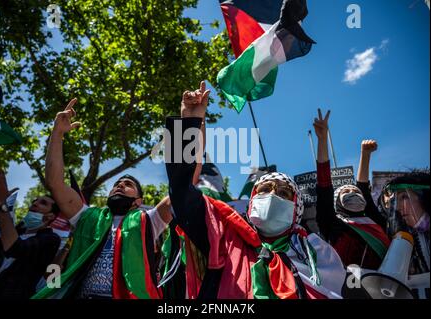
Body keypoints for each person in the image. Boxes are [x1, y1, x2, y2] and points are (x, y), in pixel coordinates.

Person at [164, 82, 346, 299]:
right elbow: (181, 190)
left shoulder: (319, 254)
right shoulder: (224, 235)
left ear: (296, 207)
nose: (271, 196)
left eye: (283, 193)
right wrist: (189, 124)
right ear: (251, 201)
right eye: (265, 189)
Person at [33, 98, 172, 299]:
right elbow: (54, 183)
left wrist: (192, 121)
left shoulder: (149, 221)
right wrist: (57, 133)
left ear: (138, 201)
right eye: (117, 184)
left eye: (128, 185)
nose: (120, 185)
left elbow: (181, 189)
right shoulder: (87, 217)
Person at [314, 109, 390, 270]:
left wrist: (365, 153)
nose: (352, 193)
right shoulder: (333, 224)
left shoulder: (377, 222)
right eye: (345, 192)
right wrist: (322, 140)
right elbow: (324, 186)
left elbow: (363, 187)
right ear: (337, 203)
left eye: (355, 192)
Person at [0, 171, 61, 299]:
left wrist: (2, 205)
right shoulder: (15, 233)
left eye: (43, 203)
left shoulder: (51, 239)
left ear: (51, 216)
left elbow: (15, 248)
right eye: (35, 201)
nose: (34, 203)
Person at [380, 172, 430, 276]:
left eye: (404, 197)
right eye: (396, 200)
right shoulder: (408, 237)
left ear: (424, 196)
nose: (398, 207)